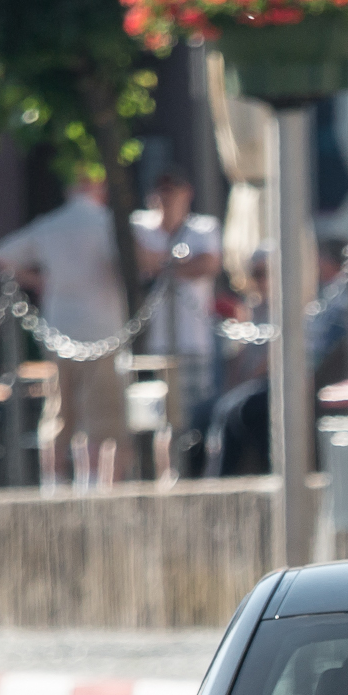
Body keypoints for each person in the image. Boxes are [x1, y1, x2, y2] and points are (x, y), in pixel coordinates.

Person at [0, 170, 135, 484]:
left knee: (58, 411)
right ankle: (98, 482)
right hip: (102, 330)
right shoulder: (108, 223)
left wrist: (42, 282)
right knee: (102, 416)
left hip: (60, 329)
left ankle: (53, 482)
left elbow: (1, 256)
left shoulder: (50, 224)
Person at [204, 242, 348, 477]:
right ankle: (215, 483)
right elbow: (239, 361)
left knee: (238, 409)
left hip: (288, 384)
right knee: (218, 410)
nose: (259, 281)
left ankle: (234, 480)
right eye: (255, 274)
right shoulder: (251, 309)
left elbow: (280, 359)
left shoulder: (302, 304)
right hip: (265, 385)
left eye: (264, 273)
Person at [130, 169, 224, 478]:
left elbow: (207, 264)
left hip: (194, 340)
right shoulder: (139, 225)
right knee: (161, 415)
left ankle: (193, 471)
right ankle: (167, 474)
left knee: (195, 413)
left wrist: (164, 264)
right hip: (155, 343)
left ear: (187, 194)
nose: (166, 198)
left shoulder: (203, 227)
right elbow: (140, 260)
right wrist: (178, 263)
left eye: (173, 190)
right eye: (161, 190)